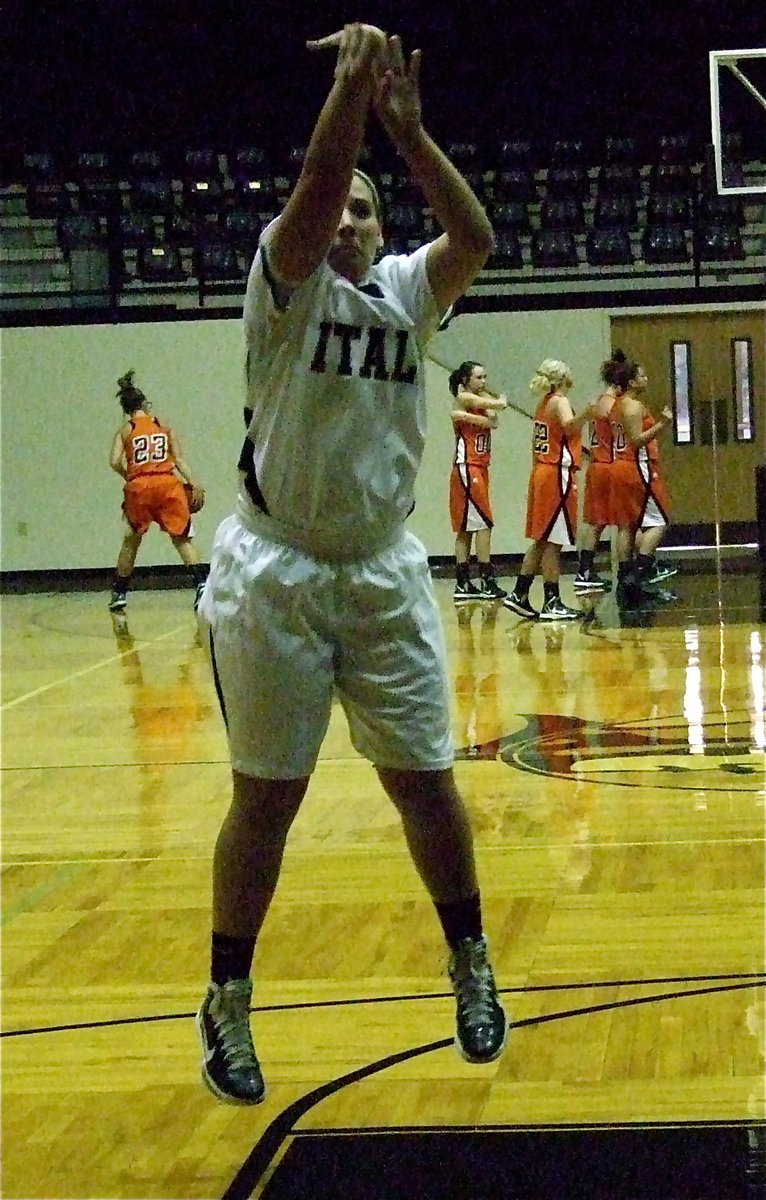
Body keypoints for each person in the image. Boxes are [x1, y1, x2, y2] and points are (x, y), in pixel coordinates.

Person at [195, 23, 507, 1107]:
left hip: (380, 567)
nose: (349, 223)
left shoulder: (410, 290)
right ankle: (228, 995)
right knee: (267, 797)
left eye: (369, 213)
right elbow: (321, 183)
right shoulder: (282, 285)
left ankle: (470, 962)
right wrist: (346, 95)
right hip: (275, 569)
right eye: (340, 211)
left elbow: (474, 234)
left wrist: (412, 138)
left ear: (382, 231)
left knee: (424, 782)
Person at [108, 370, 207, 612]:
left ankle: (120, 593)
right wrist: (194, 483)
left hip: (139, 487)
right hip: (167, 484)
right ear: (144, 404)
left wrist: (130, 476)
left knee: (131, 541)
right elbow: (179, 459)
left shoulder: (126, 429)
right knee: (182, 539)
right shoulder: (162, 426)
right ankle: (202, 585)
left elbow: (113, 461)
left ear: (126, 408)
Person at [504, 359, 594, 621]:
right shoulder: (560, 401)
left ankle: (521, 593)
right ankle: (550, 601)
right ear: (564, 376)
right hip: (556, 473)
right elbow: (569, 427)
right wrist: (587, 414)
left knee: (543, 539)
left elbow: (536, 443)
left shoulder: (543, 403)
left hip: (542, 471)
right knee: (553, 541)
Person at [605, 350, 674, 605]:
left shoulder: (616, 403)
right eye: (642, 375)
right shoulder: (632, 405)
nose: (647, 378)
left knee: (627, 525)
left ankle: (625, 580)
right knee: (660, 521)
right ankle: (638, 575)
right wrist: (663, 424)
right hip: (635, 467)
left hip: (620, 465)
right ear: (631, 381)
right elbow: (636, 440)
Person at [449, 360, 508, 601]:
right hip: (467, 466)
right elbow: (496, 406)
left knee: (467, 528)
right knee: (483, 523)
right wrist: (497, 402)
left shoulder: (475, 400)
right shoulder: (463, 397)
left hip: (480, 466)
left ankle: (463, 584)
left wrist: (488, 411)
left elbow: (494, 418)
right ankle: (486, 579)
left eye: (485, 377)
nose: (484, 382)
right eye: (479, 378)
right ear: (465, 380)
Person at [573, 374, 616, 593]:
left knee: (597, 522)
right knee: (605, 521)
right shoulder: (610, 405)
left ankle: (585, 569)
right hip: (606, 464)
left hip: (598, 463)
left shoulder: (596, 402)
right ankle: (585, 570)